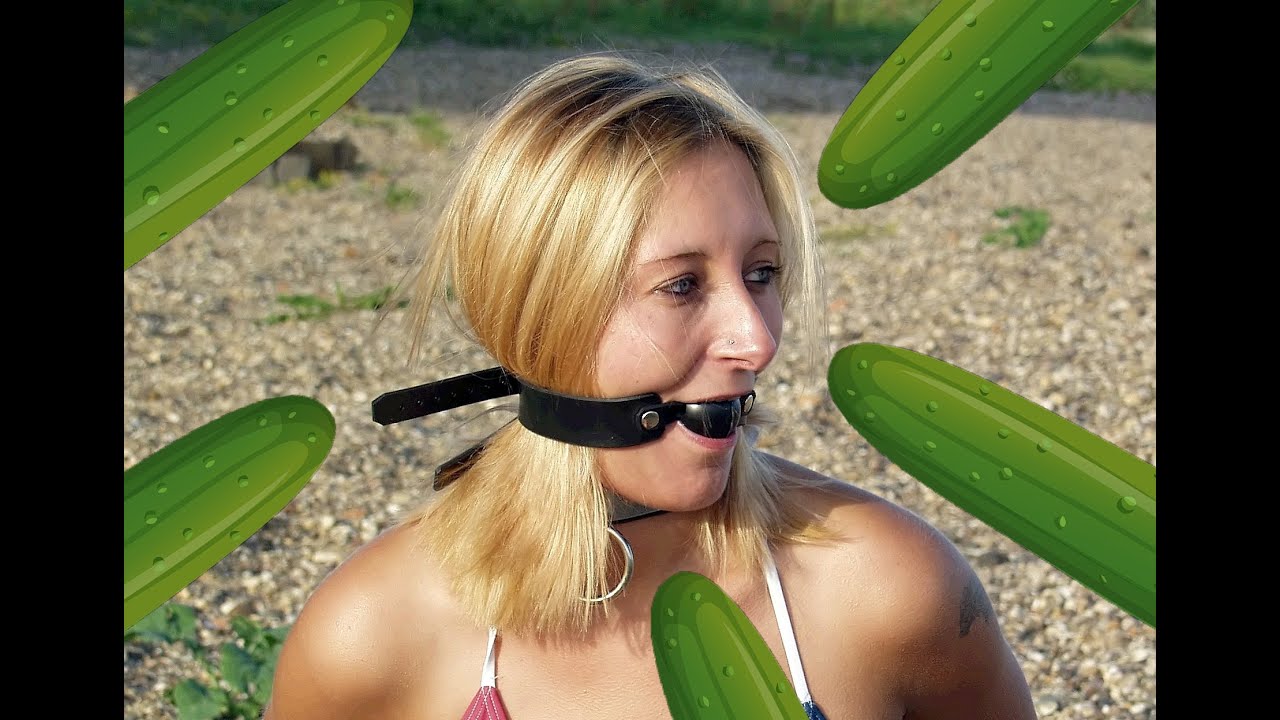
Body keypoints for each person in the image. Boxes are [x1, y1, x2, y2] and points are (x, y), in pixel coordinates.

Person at [263, 53, 1037, 720]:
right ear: (538, 314)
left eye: (761, 272)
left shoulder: (888, 590)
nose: (757, 341)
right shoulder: (371, 636)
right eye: (681, 285)